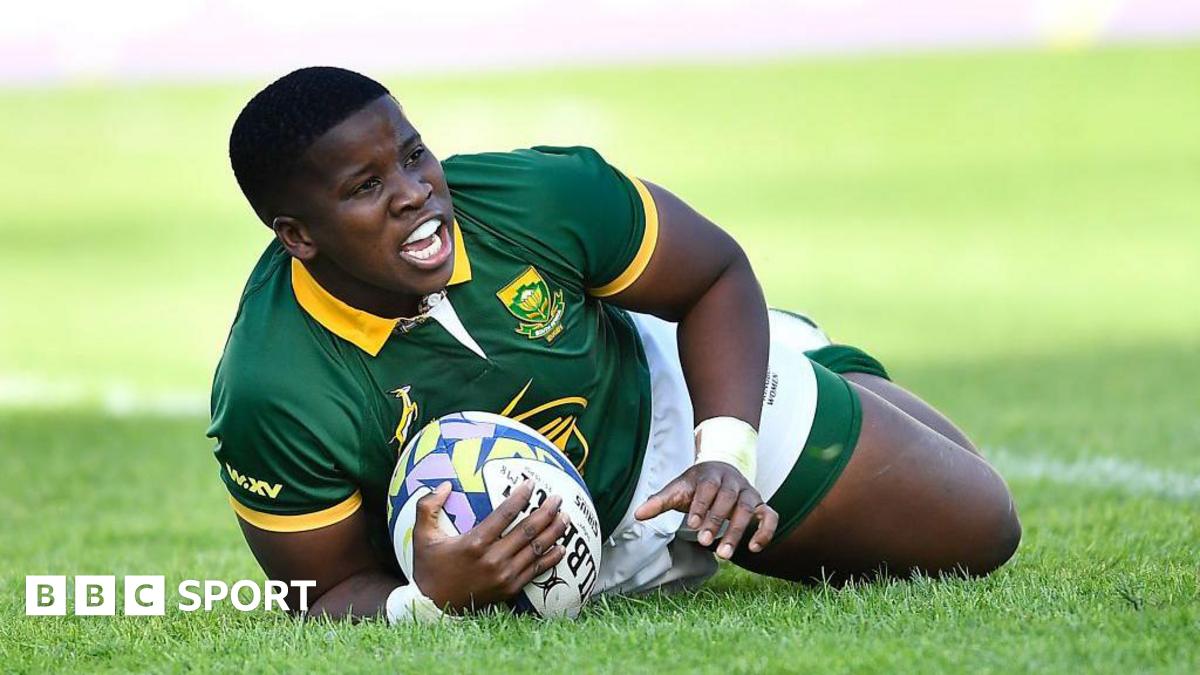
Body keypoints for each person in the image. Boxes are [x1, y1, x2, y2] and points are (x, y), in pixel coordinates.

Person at [209, 66, 1020, 623]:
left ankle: (793, 365)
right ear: (298, 235)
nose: (416, 191)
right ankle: (798, 374)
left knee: (981, 529)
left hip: (671, 411)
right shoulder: (270, 384)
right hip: (533, 572)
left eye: (414, 154)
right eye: (367, 186)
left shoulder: (532, 195)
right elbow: (317, 594)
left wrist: (725, 453)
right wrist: (428, 600)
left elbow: (714, 274)